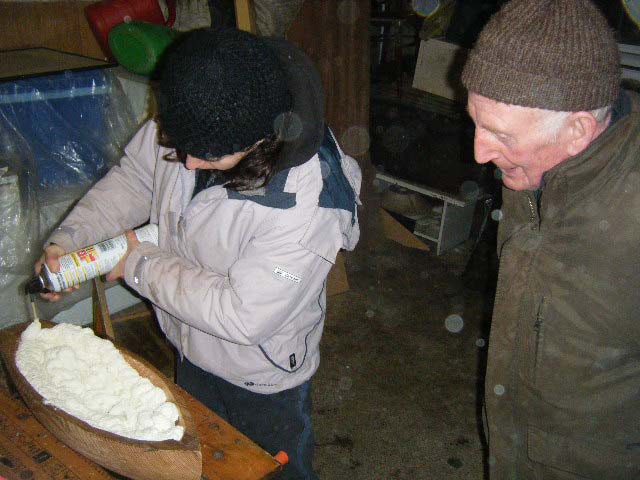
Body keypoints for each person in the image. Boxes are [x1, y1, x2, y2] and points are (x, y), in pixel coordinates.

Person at [37, 27, 361, 479]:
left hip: (260, 377)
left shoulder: (309, 205)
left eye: (207, 156)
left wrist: (137, 262)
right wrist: (69, 239)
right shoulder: (194, 110)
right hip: (189, 343)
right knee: (200, 462)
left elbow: (243, 315)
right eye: (179, 145)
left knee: (269, 470)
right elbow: (136, 177)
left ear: (258, 141)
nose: (187, 163)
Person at [461, 0, 640, 478]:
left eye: (499, 135)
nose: (479, 152)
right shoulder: (533, 170)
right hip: (516, 446)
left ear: (578, 130)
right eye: (475, 122)